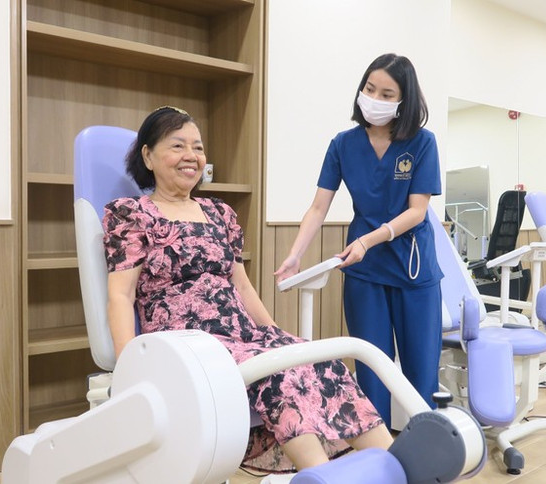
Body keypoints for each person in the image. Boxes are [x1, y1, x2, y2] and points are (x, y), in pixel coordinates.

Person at [103, 106, 393, 474]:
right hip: (189, 345)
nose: (191, 156)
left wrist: (274, 335)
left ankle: (396, 467)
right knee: (279, 374)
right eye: (178, 146)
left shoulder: (219, 213)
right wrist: (131, 368)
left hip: (242, 336)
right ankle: (323, 477)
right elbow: (121, 295)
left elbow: (241, 285)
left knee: (321, 359)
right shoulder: (131, 214)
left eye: (198, 147)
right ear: (148, 156)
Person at [274, 53, 444, 427]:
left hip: (412, 268)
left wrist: (369, 239)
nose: (374, 99)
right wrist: (295, 254)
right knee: (370, 370)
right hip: (365, 272)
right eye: (369, 89)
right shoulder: (343, 144)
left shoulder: (422, 143)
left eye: (386, 94)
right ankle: (377, 450)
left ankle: (427, 447)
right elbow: (318, 207)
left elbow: (417, 211)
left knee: (421, 374)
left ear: (403, 101)